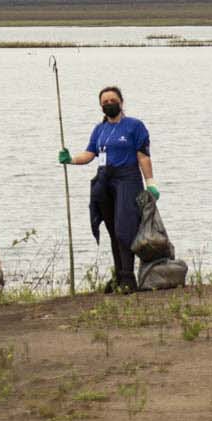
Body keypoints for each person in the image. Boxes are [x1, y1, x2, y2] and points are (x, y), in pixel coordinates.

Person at [59, 86, 158, 292]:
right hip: (105, 179)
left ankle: (129, 278)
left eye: (113, 100)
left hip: (127, 179)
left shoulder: (134, 126)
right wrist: (71, 159)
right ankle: (119, 276)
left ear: (121, 102)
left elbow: (143, 156)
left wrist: (151, 183)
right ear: (100, 106)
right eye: (105, 102)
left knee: (125, 229)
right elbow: (90, 154)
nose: (109, 104)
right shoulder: (99, 130)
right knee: (112, 231)